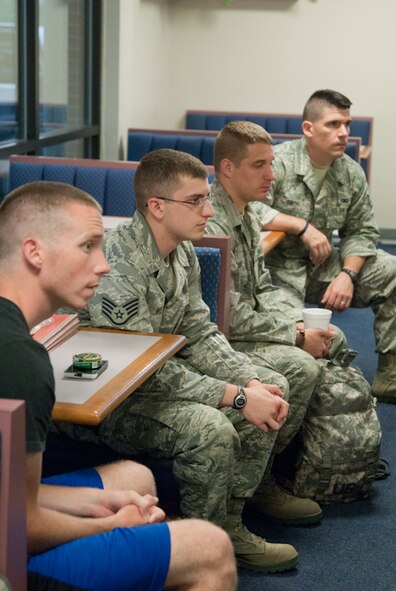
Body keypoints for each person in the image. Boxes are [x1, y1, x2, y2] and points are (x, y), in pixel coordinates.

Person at [62, 148, 324, 573]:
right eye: (196, 201)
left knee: (269, 384)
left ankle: (232, 521)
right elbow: (140, 370)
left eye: (206, 198)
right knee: (211, 427)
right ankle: (201, 549)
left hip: (148, 380)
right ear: (157, 207)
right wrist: (236, 398)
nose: (208, 209)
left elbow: (200, 332)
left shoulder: (181, 250)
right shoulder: (119, 265)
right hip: (106, 400)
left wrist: (247, 381)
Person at [0, 180, 237, 591]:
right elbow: (24, 525)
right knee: (210, 547)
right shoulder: (22, 362)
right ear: (34, 252)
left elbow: (10, 493)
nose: (104, 264)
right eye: (88, 246)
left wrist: (95, 503)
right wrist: (110, 524)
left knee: (134, 479)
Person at [253, 89, 396, 403]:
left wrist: (348, 273)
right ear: (308, 129)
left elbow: (362, 231)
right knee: (308, 337)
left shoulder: (350, 172)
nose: (344, 133)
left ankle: (390, 378)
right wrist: (301, 226)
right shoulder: (276, 162)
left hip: (325, 269)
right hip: (276, 275)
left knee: (392, 271)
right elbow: (248, 207)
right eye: (333, 124)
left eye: (347, 124)